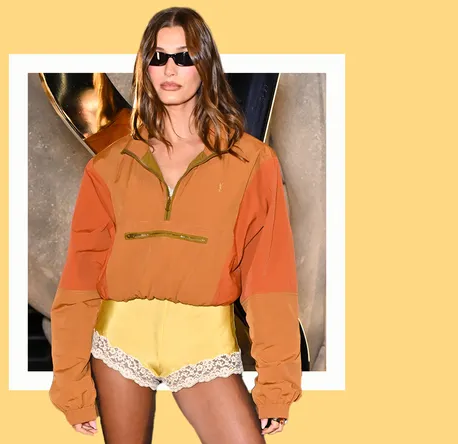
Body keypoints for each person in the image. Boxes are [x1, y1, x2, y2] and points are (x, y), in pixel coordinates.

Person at [49, 6, 302, 443]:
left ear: (205, 64)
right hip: (118, 341)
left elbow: (268, 277)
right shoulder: (109, 166)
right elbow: (80, 277)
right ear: (144, 66)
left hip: (203, 341)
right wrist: (71, 385)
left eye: (184, 57)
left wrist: (276, 385)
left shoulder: (251, 162)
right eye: (158, 57)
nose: (170, 69)